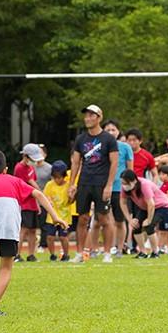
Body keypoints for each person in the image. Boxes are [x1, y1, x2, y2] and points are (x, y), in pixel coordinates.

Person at [0, 148, 66, 317]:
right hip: (8, 225)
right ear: (5, 169)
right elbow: (38, 194)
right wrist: (55, 216)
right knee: (6, 266)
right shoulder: (15, 181)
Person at [67, 104, 119, 263]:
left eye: (91, 115)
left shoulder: (108, 139)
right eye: (86, 115)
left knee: (104, 219)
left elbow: (114, 162)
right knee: (82, 218)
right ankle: (79, 253)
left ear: (99, 117)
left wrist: (109, 185)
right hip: (84, 182)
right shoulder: (80, 139)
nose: (87, 118)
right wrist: (72, 184)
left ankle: (107, 253)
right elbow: (76, 162)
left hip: (101, 183)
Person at [118, 170, 168, 259]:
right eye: (122, 183)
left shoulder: (144, 185)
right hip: (145, 207)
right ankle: (142, 252)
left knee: (149, 226)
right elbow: (122, 202)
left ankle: (155, 252)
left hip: (161, 206)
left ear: (133, 181)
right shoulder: (125, 188)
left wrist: (149, 220)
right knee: (136, 226)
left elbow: (151, 204)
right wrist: (130, 220)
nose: (124, 185)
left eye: (125, 183)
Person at [103, 120, 134, 257]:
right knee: (103, 220)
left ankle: (120, 249)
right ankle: (106, 248)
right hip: (104, 188)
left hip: (120, 189)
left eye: (113, 129)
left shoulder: (125, 147)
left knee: (120, 221)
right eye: (108, 130)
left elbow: (130, 170)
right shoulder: (100, 147)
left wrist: (129, 188)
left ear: (118, 131)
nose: (111, 132)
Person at [13, 143, 43, 262]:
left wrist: (37, 203)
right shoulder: (19, 168)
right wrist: (42, 195)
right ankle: (17, 254)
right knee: (23, 229)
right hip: (24, 203)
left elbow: (33, 182)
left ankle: (31, 254)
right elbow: (31, 183)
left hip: (32, 203)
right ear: (25, 156)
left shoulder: (31, 168)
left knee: (33, 230)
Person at [43, 160, 74, 261]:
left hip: (65, 217)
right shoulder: (49, 185)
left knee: (63, 237)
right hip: (51, 217)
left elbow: (71, 201)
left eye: (59, 177)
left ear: (64, 176)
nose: (57, 180)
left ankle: (66, 254)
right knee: (50, 237)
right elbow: (46, 196)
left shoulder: (68, 185)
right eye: (55, 177)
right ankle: (52, 254)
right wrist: (49, 201)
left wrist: (71, 196)